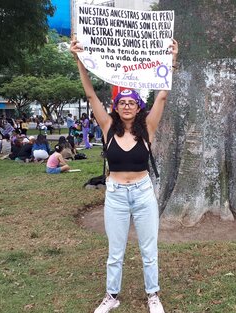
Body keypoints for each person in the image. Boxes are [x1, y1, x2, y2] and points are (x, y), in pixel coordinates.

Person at [71, 37, 178, 313]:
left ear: (139, 106)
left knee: (148, 250)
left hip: (143, 193)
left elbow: (163, 95)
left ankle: (153, 295)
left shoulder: (149, 127)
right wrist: (79, 61)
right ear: (116, 107)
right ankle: (111, 296)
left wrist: (171, 61)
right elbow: (91, 96)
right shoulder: (107, 127)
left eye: (132, 102)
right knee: (115, 253)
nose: (127, 106)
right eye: (122, 102)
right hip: (116, 195)